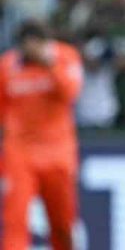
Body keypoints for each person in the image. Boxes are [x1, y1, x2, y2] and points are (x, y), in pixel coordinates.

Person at [0, 20, 83, 250]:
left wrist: (49, 64)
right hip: (20, 154)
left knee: (63, 225)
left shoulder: (66, 56)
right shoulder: (7, 66)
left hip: (58, 154)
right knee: (14, 221)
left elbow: (70, 93)